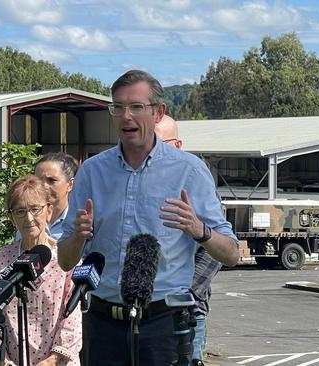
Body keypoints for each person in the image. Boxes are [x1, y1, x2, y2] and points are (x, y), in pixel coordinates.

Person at [58, 69, 239, 366]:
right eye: (118, 107)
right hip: (102, 326)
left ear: (158, 113)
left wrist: (199, 229)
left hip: (164, 327)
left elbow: (231, 254)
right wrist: (78, 236)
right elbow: (65, 260)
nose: (126, 116)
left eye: (136, 107)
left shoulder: (189, 171)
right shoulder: (91, 172)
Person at [0, 175, 82, 366]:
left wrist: (51, 361)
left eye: (35, 209)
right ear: (11, 217)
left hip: (58, 361)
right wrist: (3, 358)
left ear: (49, 211)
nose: (29, 218)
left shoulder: (66, 257)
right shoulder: (1, 259)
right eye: (20, 211)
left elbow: (73, 319)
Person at [155, 115, 222, 365]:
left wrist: (185, 293)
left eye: (161, 142)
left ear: (178, 144)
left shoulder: (195, 181)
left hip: (185, 310)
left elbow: (216, 247)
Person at [16, 152, 78, 241]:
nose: (44, 186)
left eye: (52, 180)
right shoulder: (27, 220)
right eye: (38, 180)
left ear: (70, 184)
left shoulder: (77, 224)